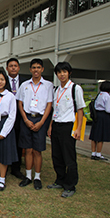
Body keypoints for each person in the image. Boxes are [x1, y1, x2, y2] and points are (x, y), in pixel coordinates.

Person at [47, 62, 86, 198]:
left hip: (69, 126)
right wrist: (51, 126)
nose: (62, 74)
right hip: (57, 125)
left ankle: (70, 186)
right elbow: (55, 110)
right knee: (56, 156)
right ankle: (60, 180)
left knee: (68, 157)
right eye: (59, 72)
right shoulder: (57, 89)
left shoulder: (75, 88)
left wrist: (78, 129)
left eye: (64, 71)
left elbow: (80, 110)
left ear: (69, 73)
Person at [16, 58, 53, 190]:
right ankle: (28, 176)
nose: (36, 70)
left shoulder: (48, 85)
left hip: (40, 119)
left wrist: (42, 122)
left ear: (42, 69)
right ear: (30, 69)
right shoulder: (24, 85)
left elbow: (49, 104)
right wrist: (25, 119)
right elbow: (19, 103)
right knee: (28, 150)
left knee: (37, 150)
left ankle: (37, 177)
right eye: (34, 67)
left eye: (38, 67)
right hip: (26, 119)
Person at [5, 58, 28, 180]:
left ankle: (16, 168)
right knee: (5, 141)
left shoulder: (25, 82)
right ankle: (4, 164)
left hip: (20, 116)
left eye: (15, 66)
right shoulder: (2, 81)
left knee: (19, 143)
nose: (13, 68)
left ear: (19, 68)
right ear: (7, 68)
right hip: (5, 117)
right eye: (10, 66)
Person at [89, 81, 110, 161]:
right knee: (101, 136)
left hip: (96, 115)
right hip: (103, 116)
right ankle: (98, 154)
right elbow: (108, 109)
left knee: (94, 135)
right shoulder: (107, 96)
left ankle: (93, 153)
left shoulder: (99, 94)